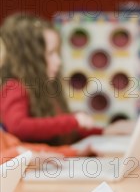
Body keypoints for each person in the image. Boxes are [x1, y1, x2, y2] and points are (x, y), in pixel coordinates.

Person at [0, 13, 102, 144]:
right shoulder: (14, 87)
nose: (58, 61)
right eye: (50, 53)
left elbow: (58, 130)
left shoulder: (42, 89)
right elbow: (18, 126)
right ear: (30, 59)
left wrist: (103, 131)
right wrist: (73, 121)